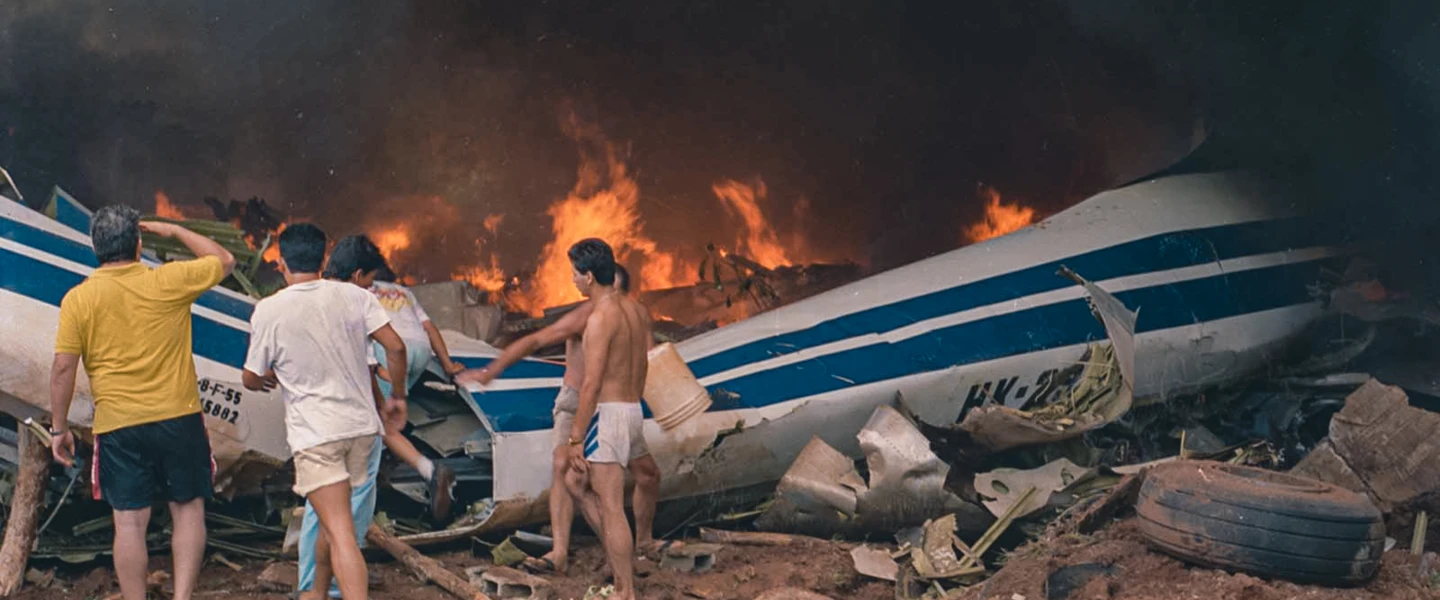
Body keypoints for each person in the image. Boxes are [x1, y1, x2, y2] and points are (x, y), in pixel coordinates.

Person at [50, 206, 236, 600]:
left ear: (96, 247)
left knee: (129, 522)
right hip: (179, 417)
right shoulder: (168, 280)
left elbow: (63, 368)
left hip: (118, 425)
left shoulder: (78, 299)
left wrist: (59, 428)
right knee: (188, 508)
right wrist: (175, 231)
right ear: (138, 244)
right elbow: (224, 260)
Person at [455, 264, 662, 575]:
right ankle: (561, 552)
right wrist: (489, 373)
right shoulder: (587, 316)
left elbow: (651, 357)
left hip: (613, 405)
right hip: (577, 400)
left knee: (648, 474)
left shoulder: (632, 314)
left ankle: (642, 542)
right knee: (565, 469)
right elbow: (535, 342)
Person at [242, 224, 409, 600]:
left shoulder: (270, 309)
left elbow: (251, 377)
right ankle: (315, 592)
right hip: (362, 432)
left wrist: (266, 378)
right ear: (323, 258)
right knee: (337, 521)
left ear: (281, 264)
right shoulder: (356, 296)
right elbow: (396, 348)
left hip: (318, 436)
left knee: (340, 532)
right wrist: (398, 397)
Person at [324, 234, 459, 519]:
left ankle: (429, 470)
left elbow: (384, 346)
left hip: (389, 348)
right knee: (385, 413)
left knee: (382, 422)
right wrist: (447, 365)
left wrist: (392, 389)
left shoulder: (355, 295)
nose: (370, 284)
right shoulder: (402, 291)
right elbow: (430, 328)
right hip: (420, 349)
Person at [564, 238, 653, 600]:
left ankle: (624, 590)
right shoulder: (636, 311)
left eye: (574, 273)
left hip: (610, 414)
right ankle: (622, 563)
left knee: (610, 505)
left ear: (588, 276)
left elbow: (591, 384)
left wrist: (575, 437)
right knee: (575, 482)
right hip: (632, 409)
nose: (572, 280)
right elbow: (645, 364)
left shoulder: (600, 318)